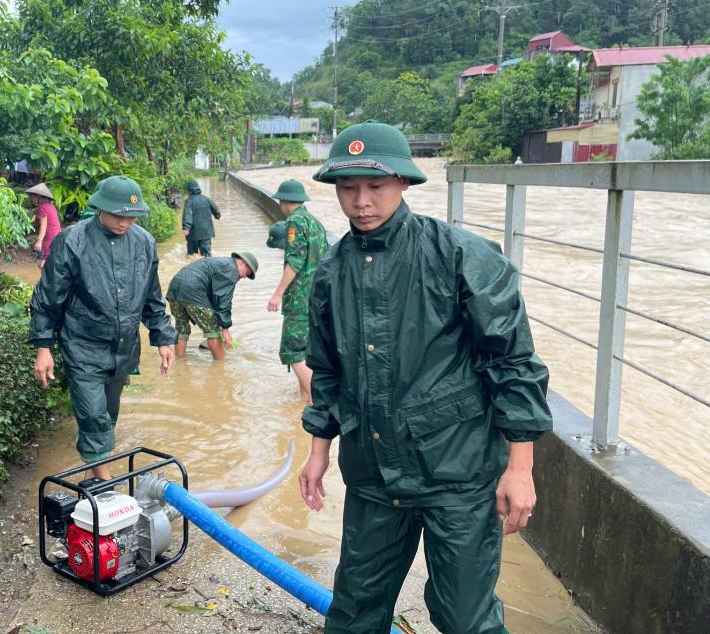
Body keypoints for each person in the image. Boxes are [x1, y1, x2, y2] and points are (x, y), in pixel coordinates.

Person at [298, 120, 553, 634]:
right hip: (372, 476)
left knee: (463, 617)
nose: (361, 202)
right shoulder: (330, 272)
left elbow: (512, 361)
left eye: (375, 186)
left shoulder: (459, 255)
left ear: (405, 184)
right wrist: (318, 451)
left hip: (456, 475)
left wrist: (520, 467)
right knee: (353, 613)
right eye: (348, 188)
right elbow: (327, 368)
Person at [30, 176, 177, 480]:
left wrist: (163, 338)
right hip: (82, 345)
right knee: (94, 416)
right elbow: (47, 298)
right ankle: (106, 488)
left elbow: (152, 296)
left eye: (131, 217)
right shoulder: (73, 240)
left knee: (108, 416)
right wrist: (43, 348)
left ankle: (92, 476)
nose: (125, 222)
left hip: (123, 348)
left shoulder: (144, 243)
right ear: (101, 208)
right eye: (118, 215)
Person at [266, 179, 328, 403]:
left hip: (300, 299)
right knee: (305, 352)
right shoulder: (315, 223)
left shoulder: (294, 222)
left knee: (292, 352)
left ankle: (316, 401)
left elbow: (295, 261)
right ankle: (304, 404)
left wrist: (278, 294)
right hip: (316, 298)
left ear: (283, 201)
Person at [167, 252, 258, 360]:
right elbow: (223, 301)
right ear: (241, 262)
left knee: (182, 327)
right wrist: (225, 329)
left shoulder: (221, 263)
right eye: (247, 272)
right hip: (193, 289)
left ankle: (179, 361)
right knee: (213, 330)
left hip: (174, 287)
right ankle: (220, 366)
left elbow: (214, 296)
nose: (244, 277)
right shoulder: (231, 270)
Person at [181, 178, 220, 257]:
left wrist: (186, 228)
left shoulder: (189, 201)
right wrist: (217, 215)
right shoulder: (206, 199)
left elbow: (187, 215)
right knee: (207, 256)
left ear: (189, 190)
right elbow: (216, 210)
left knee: (192, 255)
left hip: (193, 233)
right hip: (206, 233)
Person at [27, 182, 62, 268]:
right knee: (49, 262)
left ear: (38, 196)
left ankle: (49, 280)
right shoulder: (50, 206)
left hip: (49, 238)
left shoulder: (42, 208)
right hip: (57, 236)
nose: (31, 199)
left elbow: (44, 225)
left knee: (43, 264)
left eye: (32, 196)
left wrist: (39, 241)